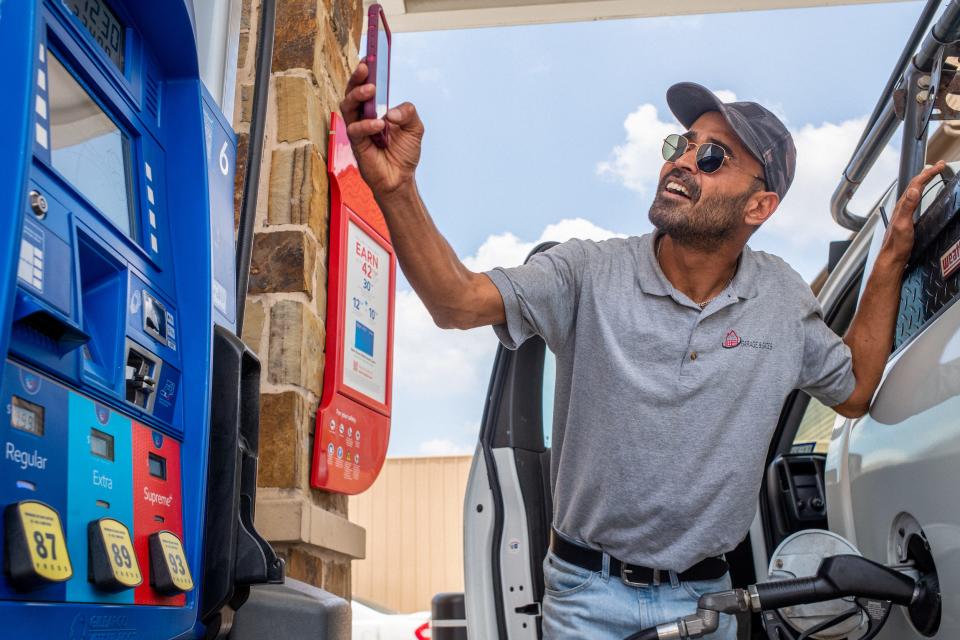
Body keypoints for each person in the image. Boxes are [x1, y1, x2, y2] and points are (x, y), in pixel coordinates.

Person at [339, 64, 944, 638]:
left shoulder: (781, 301)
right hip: (584, 597)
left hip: (708, 598)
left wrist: (889, 256)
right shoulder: (587, 272)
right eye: (680, 145)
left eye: (712, 157)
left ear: (759, 206)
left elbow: (858, 390)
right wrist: (396, 187)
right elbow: (456, 301)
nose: (682, 163)